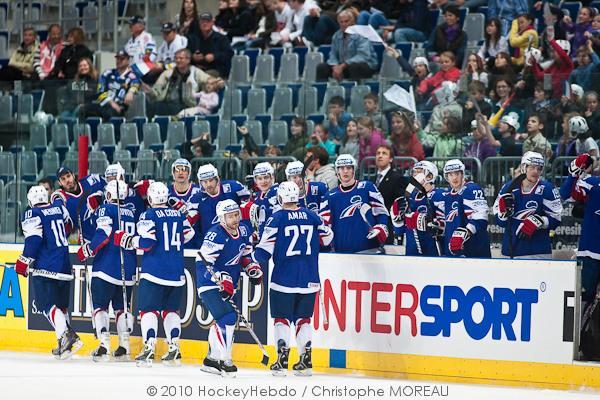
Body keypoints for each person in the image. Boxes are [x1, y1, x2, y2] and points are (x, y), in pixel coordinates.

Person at [252, 182, 333, 376]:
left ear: (280, 198)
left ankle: (281, 361)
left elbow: (264, 251)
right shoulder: (312, 216)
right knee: (304, 319)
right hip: (310, 278)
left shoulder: (277, 218)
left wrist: (250, 260)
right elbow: (328, 238)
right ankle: (306, 362)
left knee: (282, 319)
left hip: (283, 279)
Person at [114, 182, 194, 366]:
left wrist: (127, 240)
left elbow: (147, 242)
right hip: (176, 272)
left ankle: (149, 348)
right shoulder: (178, 215)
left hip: (154, 272)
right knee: (171, 311)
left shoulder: (148, 214)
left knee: (148, 310)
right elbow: (189, 234)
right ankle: (174, 348)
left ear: (150, 198)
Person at [16, 186, 81, 359]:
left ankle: (67, 336)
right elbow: (69, 227)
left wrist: (24, 260)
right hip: (65, 264)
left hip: (46, 266)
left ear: (30, 201)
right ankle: (64, 343)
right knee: (60, 307)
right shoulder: (59, 208)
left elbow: (34, 240)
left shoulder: (32, 213)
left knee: (45, 304)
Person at [197, 200, 261, 376]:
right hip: (209, 284)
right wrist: (220, 278)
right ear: (221, 218)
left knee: (223, 319)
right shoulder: (215, 235)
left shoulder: (244, 231)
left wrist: (252, 269)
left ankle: (211, 360)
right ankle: (226, 360)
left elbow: (245, 255)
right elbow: (204, 264)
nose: (234, 219)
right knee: (229, 317)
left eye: (236, 214)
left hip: (229, 284)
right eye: (230, 216)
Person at [77, 180, 136, 360]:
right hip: (128, 267)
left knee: (100, 306)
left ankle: (104, 344)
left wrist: (88, 249)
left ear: (109, 195)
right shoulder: (131, 212)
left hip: (106, 267)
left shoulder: (105, 209)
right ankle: (124, 346)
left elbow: (103, 234)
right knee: (121, 308)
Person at [493, 151, 562, 259]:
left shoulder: (548, 189)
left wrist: (540, 221)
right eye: (532, 167)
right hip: (509, 251)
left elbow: (556, 219)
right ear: (523, 167)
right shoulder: (508, 188)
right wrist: (503, 213)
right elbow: (500, 222)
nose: (536, 171)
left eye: (539, 168)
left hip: (537, 252)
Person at [319, 154, 389, 253]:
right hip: (341, 252)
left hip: (369, 248)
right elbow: (324, 225)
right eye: (341, 168)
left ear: (354, 169)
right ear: (337, 171)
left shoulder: (367, 187)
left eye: (348, 167)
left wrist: (382, 226)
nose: (345, 171)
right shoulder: (329, 196)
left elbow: (381, 211)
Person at [559, 153, 599, 325]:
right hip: (591, 252)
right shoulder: (593, 184)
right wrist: (574, 171)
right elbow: (565, 194)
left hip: (590, 250)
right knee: (584, 297)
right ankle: (580, 341)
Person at [391, 161, 446, 256]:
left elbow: (445, 225)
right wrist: (396, 216)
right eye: (414, 172)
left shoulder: (439, 195)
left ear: (429, 176)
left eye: (419, 172)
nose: (415, 175)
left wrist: (425, 221)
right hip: (411, 251)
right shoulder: (409, 197)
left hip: (432, 252)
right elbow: (399, 230)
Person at [143, 48, 216, 118]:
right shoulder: (167, 73)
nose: (178, 60)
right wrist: (150, 91)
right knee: (152, 105)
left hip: (187, 105)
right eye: (176, 58)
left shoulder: (196, 72)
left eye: (181, 58)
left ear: (188, 60)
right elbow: (156, 91)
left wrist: (214, 82)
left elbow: (210, 80)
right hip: (167, 104)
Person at [441, 159, 491, 258]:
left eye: (457, 174)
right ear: (446, 177)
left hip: (474, 250)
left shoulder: (472, 189)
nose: (454, 177)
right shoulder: (447, 196)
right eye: (450, 175)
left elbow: (481, 216)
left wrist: (464, 234)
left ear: (463, 174)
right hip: (453, 251)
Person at [188, 163, 251, 240]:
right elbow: (189, 222)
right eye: (205, 182)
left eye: (211, 180)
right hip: (210, 242)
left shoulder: (233, 187)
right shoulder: (196, 199)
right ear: (200, 182)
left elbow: (250, 205)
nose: (208, 184)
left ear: (217, 179)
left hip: (236, 240)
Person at [316, 9, 377, 81]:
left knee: (355, 67)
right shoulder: (336, 35)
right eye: (341, 22)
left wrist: (342, 66)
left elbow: (363, 56)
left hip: (365, 65)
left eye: (346, 21)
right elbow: (333, 54)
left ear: (353, 22)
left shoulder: (361, 34)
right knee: (321, 67)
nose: (343, 24)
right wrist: (335, 67)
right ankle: (321, 91)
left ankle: (355, 91)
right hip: (344, 66)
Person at [51, 166, 105, 242]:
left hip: (107, 233)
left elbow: (111, 186)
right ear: (59, 183)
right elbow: (57, 200)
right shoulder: (62, 198)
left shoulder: (90, 181)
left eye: (68, 176)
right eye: (63, 179)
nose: (67, 180)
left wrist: (101, 195)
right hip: (89, 241)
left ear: (73, 175)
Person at [84, 50, 140, 120]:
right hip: (105, 103)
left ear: (128, 61)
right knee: (85, 110)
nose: (119, 61)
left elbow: (136, 83)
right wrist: (111, 102)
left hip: (119, 108)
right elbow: (100, 90)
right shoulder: (107, 73)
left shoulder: (132, 76)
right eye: (117, 58)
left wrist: (131, 92)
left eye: (122, 59)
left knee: (109, 113)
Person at [372, 144, 408, 245]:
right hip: (373, 224)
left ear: (391, 159)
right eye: (378, 153)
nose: (380, 156)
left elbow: (399, 203)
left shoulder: (397, 178)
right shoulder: (371, 179)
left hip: (389, 225)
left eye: (384, 153)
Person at [187, 12, 234, 78]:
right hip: (196, 67)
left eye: (208, 21)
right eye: (202, 21)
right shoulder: (193, 38)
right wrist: (193, 56)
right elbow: (187, 52)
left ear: (212, 23)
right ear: (199, 23)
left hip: (215, 69)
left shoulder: (221, 38)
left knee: (202, 77)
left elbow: (229, 53)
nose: (205, 23)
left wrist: (214, 56)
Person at [242, 162, 279, 237]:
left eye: (266, 177)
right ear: (255, 180)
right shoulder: (257, 196)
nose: (263, 181)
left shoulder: (278, 191)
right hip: (264, 237)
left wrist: (257, 211)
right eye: (259, 178)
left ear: (272, 177)